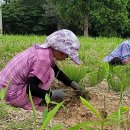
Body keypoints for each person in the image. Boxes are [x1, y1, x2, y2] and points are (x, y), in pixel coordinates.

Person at [0, 29, 82, 111]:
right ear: (61, 51)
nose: (66, 58)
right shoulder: (43, 60)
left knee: (49, 71)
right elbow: (31, 89)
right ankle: (31, 107)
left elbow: (57, 71)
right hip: (10, 96)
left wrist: (72, 83)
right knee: (49, 73)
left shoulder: (43, 51)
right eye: (67, 55)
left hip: (3, 89)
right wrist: (52, 94)